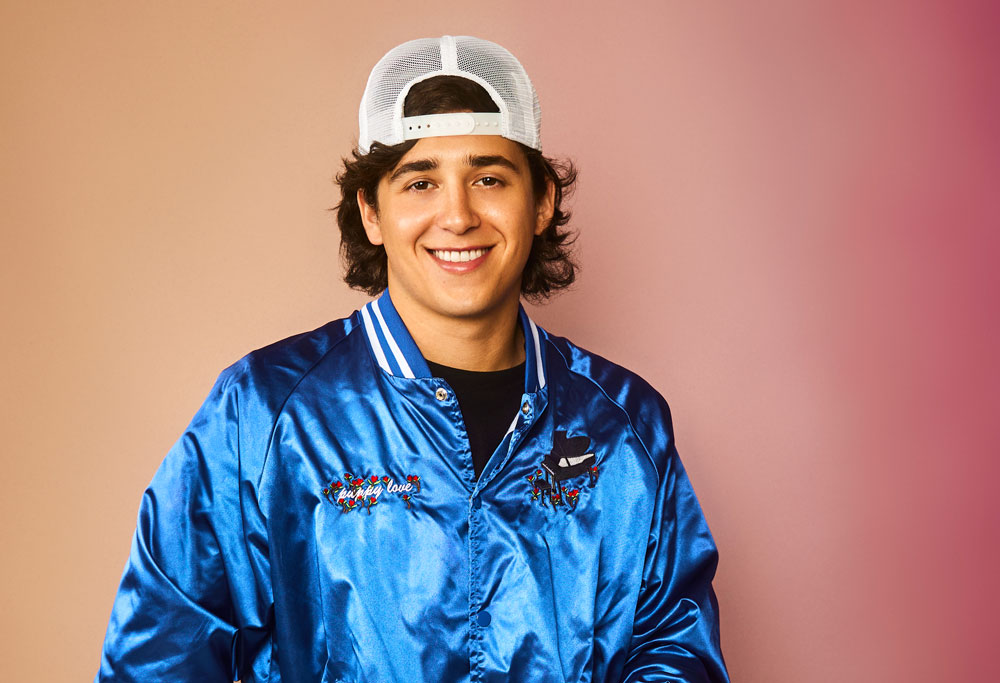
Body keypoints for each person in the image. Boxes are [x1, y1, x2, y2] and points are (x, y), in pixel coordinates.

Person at [96, 35, 730, 682]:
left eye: (488, 178)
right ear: (371, 211)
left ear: (540, 201)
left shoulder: (622, 421)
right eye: (420, 182)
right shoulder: (265, 411)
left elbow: (673, 647)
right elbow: (159, 655)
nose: (456, 215)